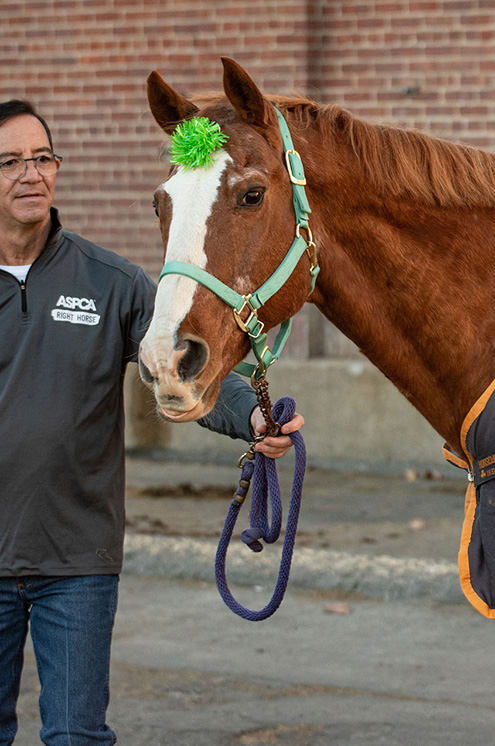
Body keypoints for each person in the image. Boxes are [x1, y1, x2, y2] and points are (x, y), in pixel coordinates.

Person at [0, 99, 303, 745]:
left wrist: (252, 413)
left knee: (78, 737)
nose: (31, 174)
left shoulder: (109, 281)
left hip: (76, 559)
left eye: (42, 158)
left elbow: (181, 367)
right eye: (10, 162)